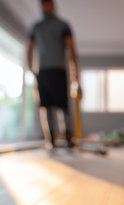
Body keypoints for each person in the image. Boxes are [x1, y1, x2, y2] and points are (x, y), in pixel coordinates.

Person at [27, 0, 80, 149]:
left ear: (53, 5)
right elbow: (30, 47)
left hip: (59, 70)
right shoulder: (36, 27)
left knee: (62, 105)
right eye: (44, 4)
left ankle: (68, 136)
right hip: (42, 71)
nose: (47, 6)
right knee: (46, 106)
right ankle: (50, 139)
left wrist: (75, 73)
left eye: (49, 3)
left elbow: (71, 49)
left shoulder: (63, 25)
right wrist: (31, 67)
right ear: (41, 6)